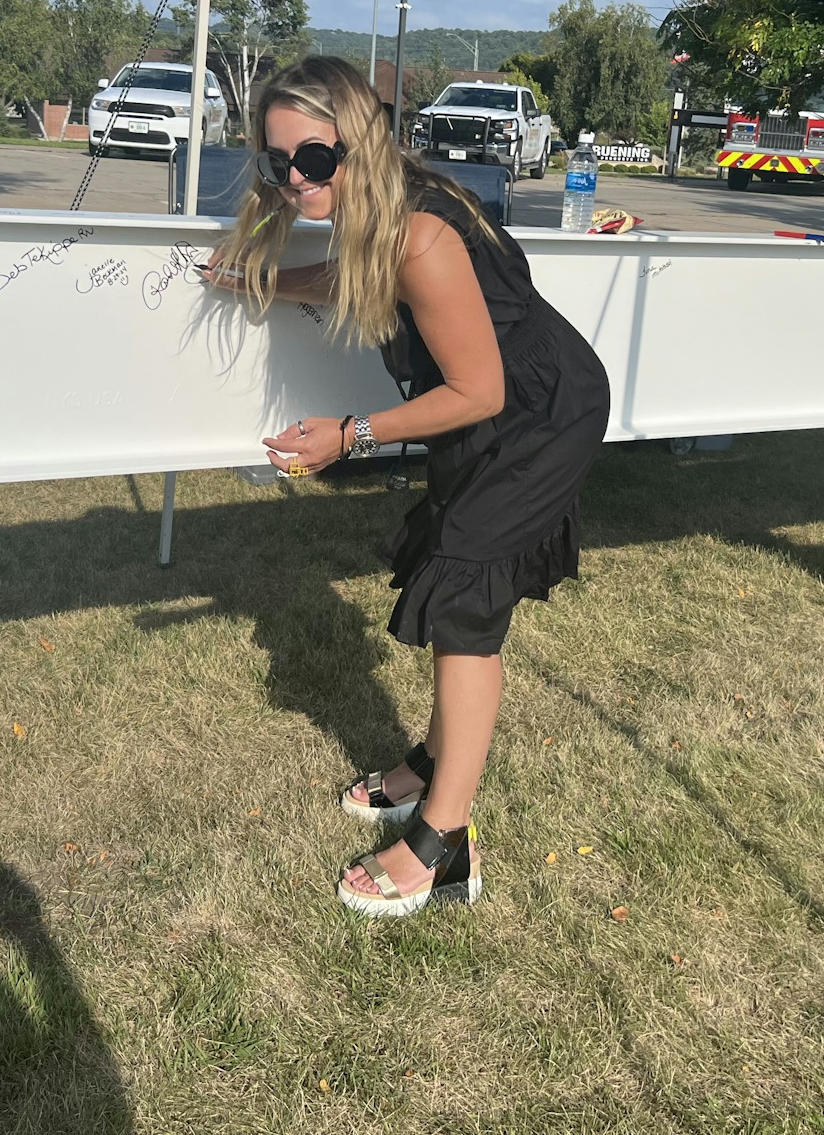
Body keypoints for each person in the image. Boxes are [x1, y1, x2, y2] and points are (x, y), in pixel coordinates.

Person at [205, 56, 610, 918]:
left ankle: (445, 841)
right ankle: (430, 762)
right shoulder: (378, 207)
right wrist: (262, 280)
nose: (296, 181)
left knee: (463, 597)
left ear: (363, 141)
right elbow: (362, 279)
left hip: (533, 414)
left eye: (314, 160)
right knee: (448, 561)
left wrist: (348, 437)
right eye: (278, 164)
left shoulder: (422, 231)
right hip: (490, 410)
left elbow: (481, 390)